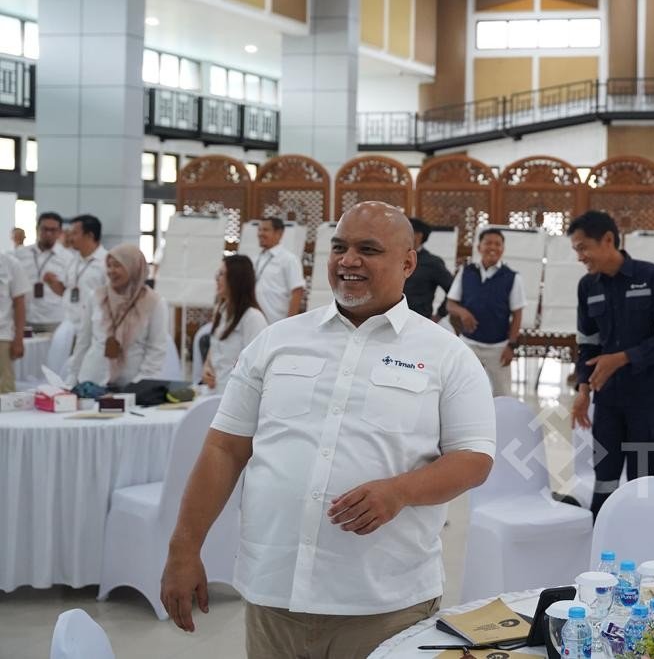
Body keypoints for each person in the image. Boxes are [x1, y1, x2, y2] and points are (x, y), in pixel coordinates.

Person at [160, 202, 496, 657]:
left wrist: (400, 491)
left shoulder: (447, 355)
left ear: (408, 262)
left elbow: (473, 458)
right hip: (274, 595)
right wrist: (184, 548)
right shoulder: (277, 341)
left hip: (385, 602)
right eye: (339, 248)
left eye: (368, 249)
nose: (348, 260)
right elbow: (225, 448)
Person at [568, 210, 654, 515]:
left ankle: (644, 537)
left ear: (607, 240)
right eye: (576, 249)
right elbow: (587, 345)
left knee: (643, 479)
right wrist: (583, 390)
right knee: (604, 477)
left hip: (648, 399)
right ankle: (601, 535)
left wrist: (622, 358)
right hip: (608, 401)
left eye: (583, 248)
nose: (580, 257)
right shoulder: (587, 287)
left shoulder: (653, 278)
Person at [65, 244, 168, 386]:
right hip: (92, 381)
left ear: (133, 267)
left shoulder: (154, 303)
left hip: (131, 384)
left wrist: (140, 384)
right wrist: (72, 377)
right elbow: (83, 341)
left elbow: (156, 349)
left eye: (117, 265)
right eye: (109, 266)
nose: (111, 271)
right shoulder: (96, 297)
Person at [445, 227, 526, 397]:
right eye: (488, 243)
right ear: (479, 247)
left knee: (502, 394)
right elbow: (450, 304)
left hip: (498, 347)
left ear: (503, 249)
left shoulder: (512, 277)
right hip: (468, 343)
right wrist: (463, 312)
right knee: (461, 390)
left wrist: (511, 345)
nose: (493, 247)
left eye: (497, 244)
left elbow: (517, 314)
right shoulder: (466, 272)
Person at [201, 255, 268, 393]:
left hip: (233, 396)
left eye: (222, 274)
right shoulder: (221, 310)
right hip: (212, 392)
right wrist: (207, 367)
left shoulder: (253, 318)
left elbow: (257, 368)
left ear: (236, 279)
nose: (217, 278)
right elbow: (214, 349)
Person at [46, 214, 107, 329]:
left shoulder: (106, 262)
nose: (69, 237)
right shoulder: (72, 260)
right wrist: (52, 283)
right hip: (69, 323)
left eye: (74, 233)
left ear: (89, 236)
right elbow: (66, 291)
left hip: (93, 326)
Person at [14, 211, 68, 331]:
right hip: (25, 317)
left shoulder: (67, 258)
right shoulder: (20, 254)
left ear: (60, 232)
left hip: (54, 319)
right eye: (45, 229)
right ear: (37, 229)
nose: (48, 233)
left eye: (53, 230)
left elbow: (68, 290)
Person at [252, 218, 305, 324]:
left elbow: (297, 292)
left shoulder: (289, 259)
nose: (260, 234)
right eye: (259, 230)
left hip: (277, 322)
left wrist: (288, 324)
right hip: (257, 322)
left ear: (279, 233)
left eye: (265, 230)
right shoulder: (256, 258)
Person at [405, 218, 455, 320]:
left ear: (418, 236)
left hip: (418, 321)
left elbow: (453, 290)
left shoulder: (432, 262)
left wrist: (439, 315)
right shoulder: (394, 258)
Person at [0, 250, 29, 393]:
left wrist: (18, 338)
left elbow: (19, 304)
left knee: (4, 390)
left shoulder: (11, 264)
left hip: (2, 336)